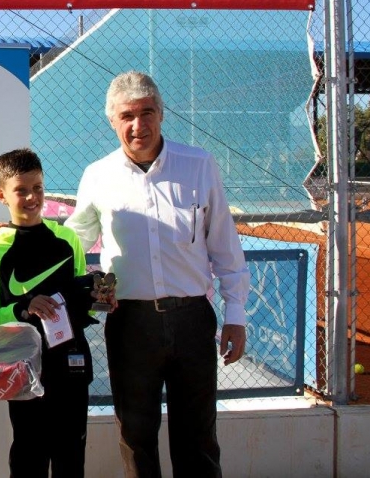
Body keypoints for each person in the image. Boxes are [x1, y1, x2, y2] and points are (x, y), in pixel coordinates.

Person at [63, 70, 249, 478]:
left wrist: (235, 315)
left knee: (198, 438)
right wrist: (16, 231)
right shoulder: (98, 175)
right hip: (130, 324)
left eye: (147, 112)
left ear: (162, 114)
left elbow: (225, 246)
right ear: (111, 120)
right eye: (127, 115)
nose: (138, 125)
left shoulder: (199, 165)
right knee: (136, 436)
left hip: (192, 320)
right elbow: (71, 241)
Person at [0, 147, 104, 478]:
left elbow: (81, 301)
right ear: (1, 195)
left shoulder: (68, 239)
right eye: (21, 190)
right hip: (24, 369)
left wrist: (101, 296)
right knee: (29, 456)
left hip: (71, 366)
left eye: (38, 188)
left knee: (71, 456)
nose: (32, 197)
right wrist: (22, 308)